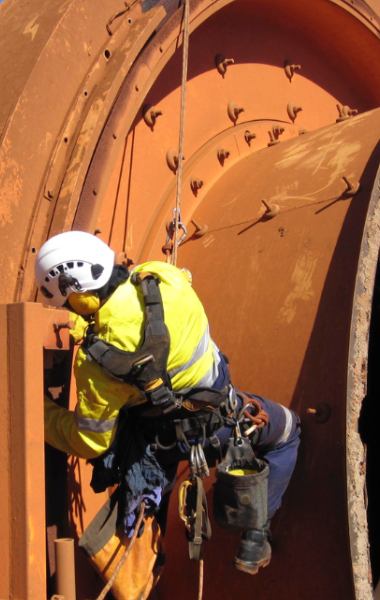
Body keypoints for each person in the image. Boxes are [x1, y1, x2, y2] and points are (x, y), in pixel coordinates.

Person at [37, 231, 300, 573]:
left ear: (80, 299)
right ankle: (256, 536)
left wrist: (41, 414)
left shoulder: (97, 365)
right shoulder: (163, 277)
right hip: (221, 421)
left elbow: (89, 442)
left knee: (153, 461)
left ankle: (147, 555)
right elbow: (139, 308)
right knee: (287, 433)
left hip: (163, 442)